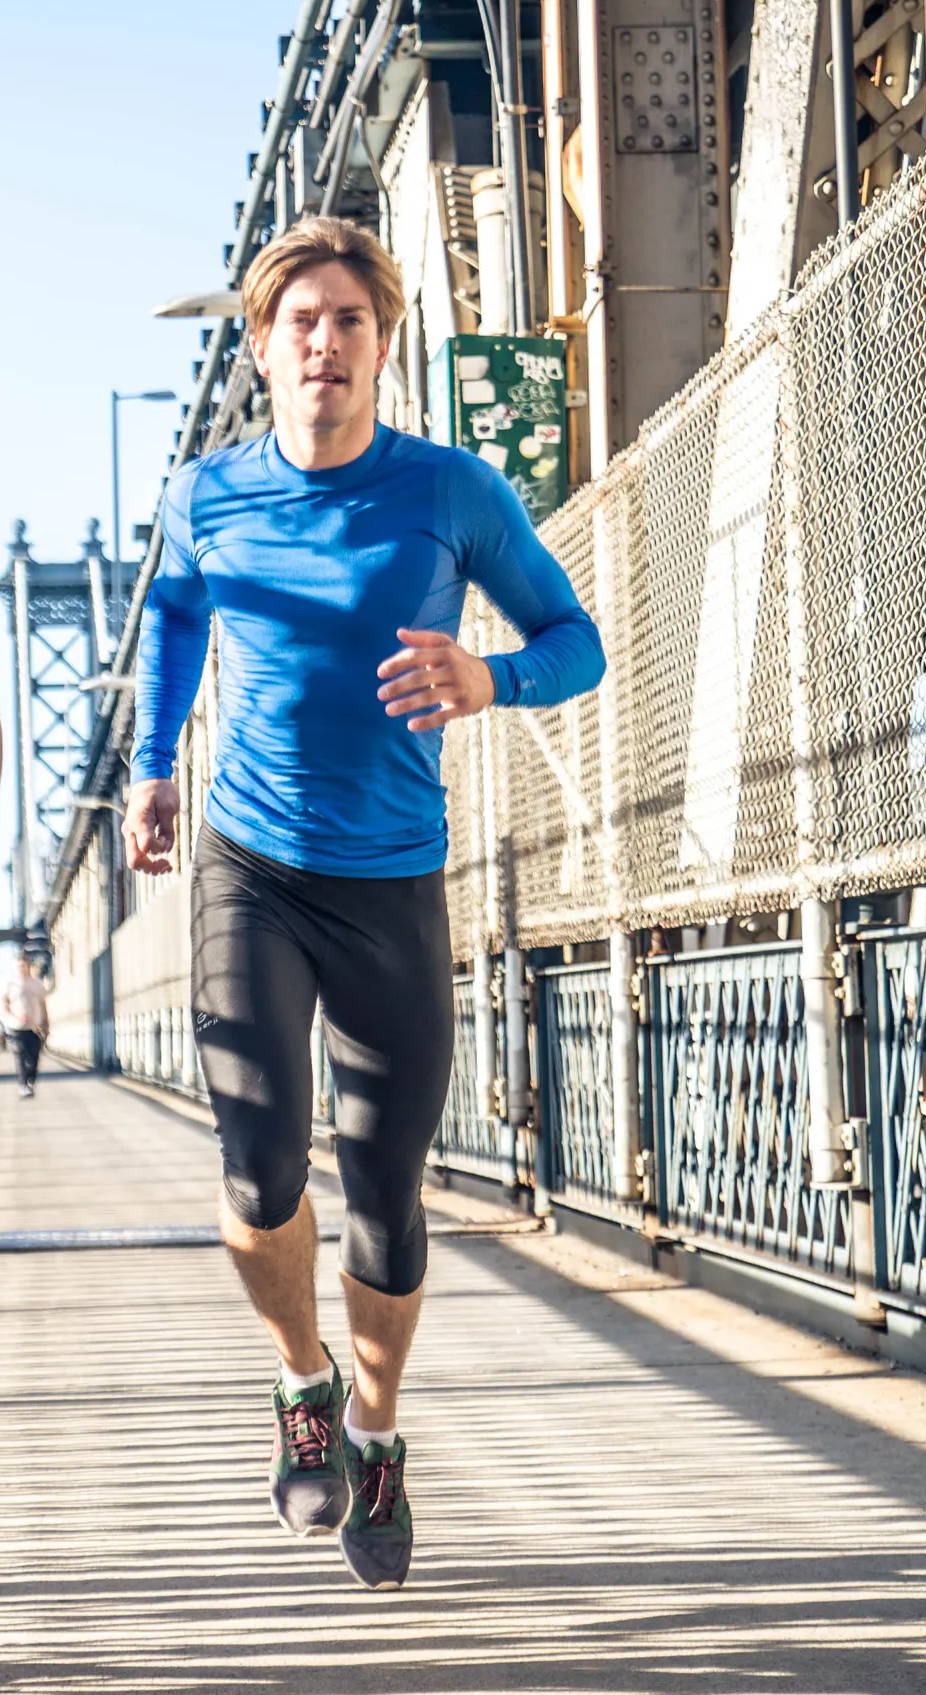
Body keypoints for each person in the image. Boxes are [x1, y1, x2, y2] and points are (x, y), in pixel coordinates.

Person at [122, 216, 606, 1591]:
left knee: (386, 1191)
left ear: (382, 344)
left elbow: (574, 640)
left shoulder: (452, 493)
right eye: (298, 322)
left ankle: (378, 1433)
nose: (321, 341)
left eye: (347, 319)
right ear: (262, 348)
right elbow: (172, 617)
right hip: (252, 867)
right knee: (259, 1164)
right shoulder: (209, 494)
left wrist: (486, 678)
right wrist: (156, 766)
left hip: (392, 878)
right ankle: (302, 1380)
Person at [4, 955, 49, 1098]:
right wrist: (15, 1016)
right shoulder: (10, 984)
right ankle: (23, 1085)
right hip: (16, 1027)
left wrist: (46, 1023)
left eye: (24, 966)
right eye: (19, 967)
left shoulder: (37, 984)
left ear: (29, 966)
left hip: (34, 1027)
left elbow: (43, 1005)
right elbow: (4, 1005)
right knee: (21, 1056)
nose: (21, 969)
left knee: (34, 1057)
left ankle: (30, 1081)